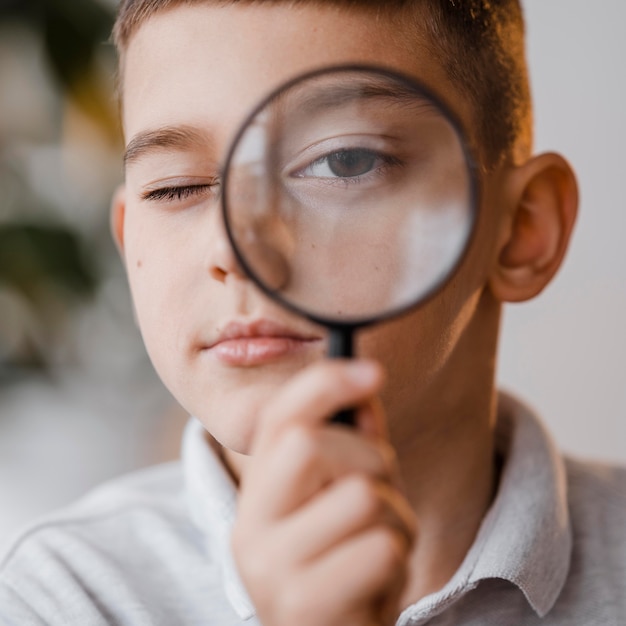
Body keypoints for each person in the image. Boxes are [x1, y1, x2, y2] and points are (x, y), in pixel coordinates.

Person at [1, 0, 625, 624]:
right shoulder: (57, 597)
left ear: (521, 228)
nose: (232, 249)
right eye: (176, 188)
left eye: (343, 161)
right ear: (127, 235)